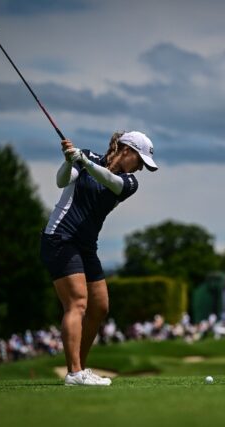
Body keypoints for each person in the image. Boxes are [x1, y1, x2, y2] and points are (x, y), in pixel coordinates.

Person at [40, 131, 158, 386]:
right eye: (139, 161)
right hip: (60, 237)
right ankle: (74, 373)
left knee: (100, 306)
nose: (139, 169)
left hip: (85, 245)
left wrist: (83, 161)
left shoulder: (128, 183)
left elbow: (107, 179)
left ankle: (79, 368)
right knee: (77, 303)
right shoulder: (87, 158)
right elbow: (61, 181)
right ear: (127, 150)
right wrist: (69, 161)